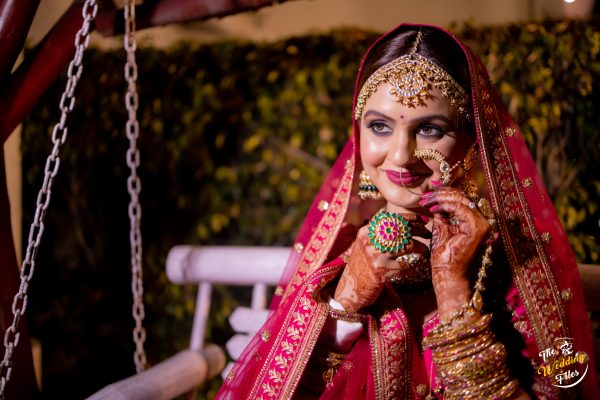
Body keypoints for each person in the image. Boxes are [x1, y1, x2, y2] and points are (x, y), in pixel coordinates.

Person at [216, 23, 599, 399]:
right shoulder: (338, 255)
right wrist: (343, 306)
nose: (401, 156)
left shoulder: (515, 265)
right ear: (358, 133)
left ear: (471, 140)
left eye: (430, 130)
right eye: (380, 126)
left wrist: (452, 292)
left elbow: (561, 386)